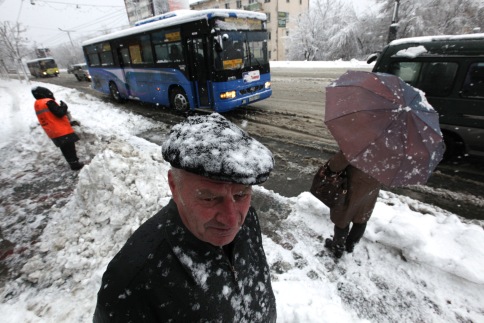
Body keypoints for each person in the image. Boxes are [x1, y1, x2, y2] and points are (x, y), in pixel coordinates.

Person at [93, 113, 277, 322]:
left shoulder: (249, 219)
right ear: (173, 185)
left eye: (241, 195)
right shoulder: (132, 280)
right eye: (209, 198)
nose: (232, 220)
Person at [324, 150, 381, 258]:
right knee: (361, 217)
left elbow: (335, 166)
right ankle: (350, 244)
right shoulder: (393, 152)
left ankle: (338, 248)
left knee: (343, 217)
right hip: (371, 188)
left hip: (351, 187)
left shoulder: (360, 143)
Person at [31, 86, 83, 171]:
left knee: (65, 149)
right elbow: (60, 113)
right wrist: (64, 106)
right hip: (61, 130)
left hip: (52, 131)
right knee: (70, 148)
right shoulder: (48, 102)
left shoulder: (37, 104)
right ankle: (75, 165)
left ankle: (72, 163)